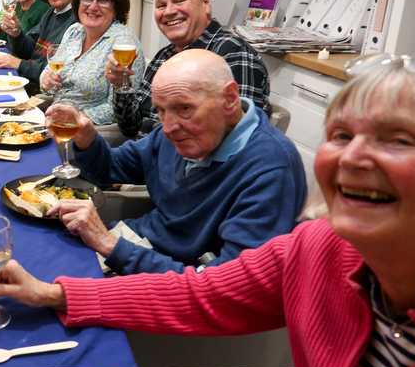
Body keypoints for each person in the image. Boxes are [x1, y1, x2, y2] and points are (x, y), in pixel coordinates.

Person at [0, 49, 415, 367]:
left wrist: (114, 250)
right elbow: (203, 295)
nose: (353, 158)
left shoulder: (272, 171)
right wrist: (54, 293)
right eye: (341, 135)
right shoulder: (320, 248)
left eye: (400, 140)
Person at [47, 49, 305, 274]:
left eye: (185, 109)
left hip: (175, 283)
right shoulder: (174, 134)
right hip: (137, 247)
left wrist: (110, 246)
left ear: (230, 98)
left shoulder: (270, 169)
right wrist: (87, 136)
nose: (168, 127)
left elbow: (225, 290)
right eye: (160, 110)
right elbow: (111, 169)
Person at [109, 0, 270, 139]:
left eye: (179, 1)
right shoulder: (164, 56)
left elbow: (238, 138)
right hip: (144, 155)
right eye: (161, 5)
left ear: (206, 3)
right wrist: (121, 83)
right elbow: (130, 127)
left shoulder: (233, 54)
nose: (169, 11)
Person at [38, 0, 145, 125]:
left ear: (117, 7)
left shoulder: (124, 45)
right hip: (53, 115)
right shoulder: (74, 31)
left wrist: (73, 118)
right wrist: (45, 81)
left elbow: (116, 111)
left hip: (88, 132)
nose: (93, 6)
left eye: (103, 0)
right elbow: (48, 71)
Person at [0, 0, 79, 94]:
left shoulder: (78, 21)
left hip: (45, 93)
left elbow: (57, 71)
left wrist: (19, 64)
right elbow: (30, 51)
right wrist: (16, 34)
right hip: (30, 82)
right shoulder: (51, 13)